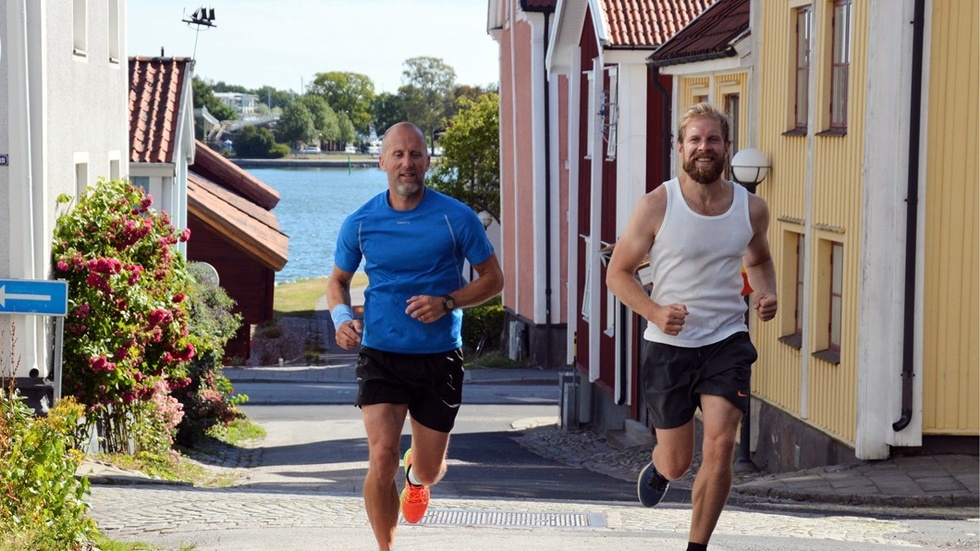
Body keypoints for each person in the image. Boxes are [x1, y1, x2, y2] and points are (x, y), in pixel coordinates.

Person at [605, 103, 777, 551]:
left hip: (727, 339)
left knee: (721, 445)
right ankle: (662, 469)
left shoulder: (751, 208)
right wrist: (656, 312)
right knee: (679, 461)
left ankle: (696, 547)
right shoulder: (657, 205)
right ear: (679, 148)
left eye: (713, 139)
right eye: (695, 140)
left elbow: (757, 260)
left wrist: (763, 293)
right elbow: (618, 273)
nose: (704, 148)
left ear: (726, 147)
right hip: (669, 345)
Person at [326, 121, 504, 551]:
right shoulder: (361, 222)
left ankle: (417, 477)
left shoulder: (455, 217)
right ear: (382, 161)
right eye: (398, 155)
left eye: (415, 155)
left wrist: (447, 302)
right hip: (381, 354)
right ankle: (386, 548)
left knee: (430, 468)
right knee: (380, 455)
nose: (407, 164)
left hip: (438, 356)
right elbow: (337, 281)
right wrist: (341, 319)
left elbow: (493, 280)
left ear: (427, 161)